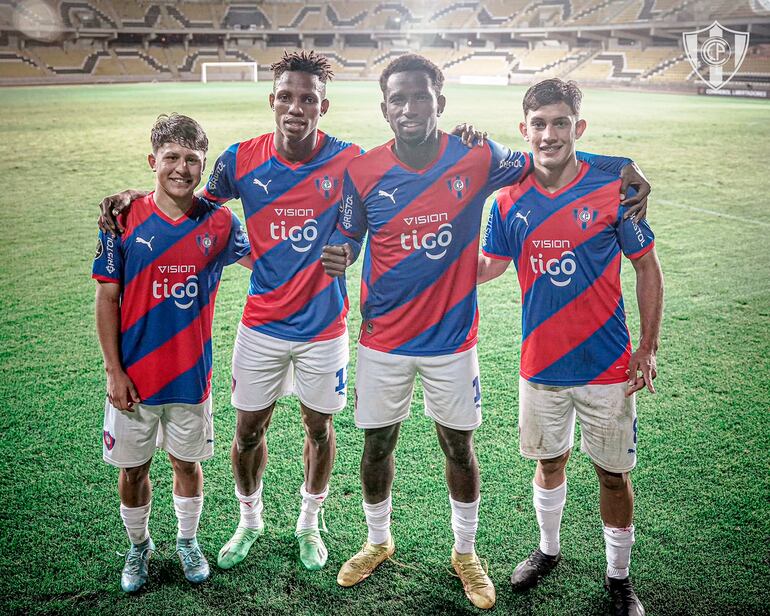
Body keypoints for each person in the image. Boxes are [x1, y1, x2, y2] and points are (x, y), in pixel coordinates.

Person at [320, 54, 650, 610]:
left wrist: (624, 166)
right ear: (383, 107)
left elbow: (551, 158)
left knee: (459, 447)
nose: (409, 108)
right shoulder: (364, 171)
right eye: (397, 99)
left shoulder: (477, 156)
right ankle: (377, 540)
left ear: (440, 103)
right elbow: (351, 235)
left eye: (421, 96)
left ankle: (466, 551)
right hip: (382, 341)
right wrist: (342, 253)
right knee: (377, 444)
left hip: (453, 342)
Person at [98, 50, 363, 572]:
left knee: (319, 428)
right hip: (261, 325)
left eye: (307, 98)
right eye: (286, 96)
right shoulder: (239, 159)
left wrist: (350, 249)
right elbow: (193, 203)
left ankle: (309, 523)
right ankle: (249, 519)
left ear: (322, 106)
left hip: (324, 326)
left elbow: (385, 196)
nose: (295, 106)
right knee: (247, 431)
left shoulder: (351, 159)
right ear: (272, 100)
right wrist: (134, 196)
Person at [478, 78, 664, 616]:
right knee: (549, 461)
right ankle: (548, 550)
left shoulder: (614, 190)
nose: (550, 133)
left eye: (561, 122)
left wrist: (648, 347)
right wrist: (432, 264)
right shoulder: (507, 200)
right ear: (524, 129)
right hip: (541, 365)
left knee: (613, 474)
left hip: (607, 366)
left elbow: (647, 266)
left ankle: (619, 578)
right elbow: (490, 265)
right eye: (539, 123)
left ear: (578, 127)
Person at [93, 113, 251, 592]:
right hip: (134, 380)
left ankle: (186, 541)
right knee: (133, 469)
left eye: (192, 160)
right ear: (152, 161)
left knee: (187, 464)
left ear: (203, 165)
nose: (181, 168)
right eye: (171, 158)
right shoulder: (123, 219)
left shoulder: (220, 221)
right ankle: (139, 548)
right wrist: (113, 371)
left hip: (190, 376)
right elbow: (107, 297)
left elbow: (268, 259)